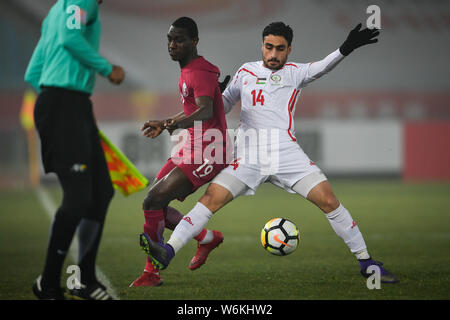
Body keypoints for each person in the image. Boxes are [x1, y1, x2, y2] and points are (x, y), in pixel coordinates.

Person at [140, 22, 398, 283]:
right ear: (262, 46)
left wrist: (346, 48)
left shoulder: (296, 73)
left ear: (289, 50)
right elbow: (224, 106)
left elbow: (322, 66)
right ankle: (168, 251)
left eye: (280, 49)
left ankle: (366, 262)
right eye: (269, 47)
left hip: (286, 154)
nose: (274, 54)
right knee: (209, 202)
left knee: (329, 202)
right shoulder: (245, 72)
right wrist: (216, 94)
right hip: (249, 154)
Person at [25, 0, 125, 300]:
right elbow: (70, 39)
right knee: (80, 196)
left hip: (69, 104)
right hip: (65, 105)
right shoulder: (81, 1)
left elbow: (34, 71)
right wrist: (108, 69)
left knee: (101, 191)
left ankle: (82, 279)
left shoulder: (57, 9)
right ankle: (49, 283)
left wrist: (62, 102)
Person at [130, 17, 231, 287]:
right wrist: (165, 122)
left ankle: (152, 272)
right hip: (192, 144)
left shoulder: (198, 71)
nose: (172, 44)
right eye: (170, 39)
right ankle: (206, 238)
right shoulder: (188, 70)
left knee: (152, 201)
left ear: (194, 42)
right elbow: (195, 109)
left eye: (179, 39)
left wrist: (168, 125)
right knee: (155, 204)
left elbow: (205, 110)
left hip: (210, 149)